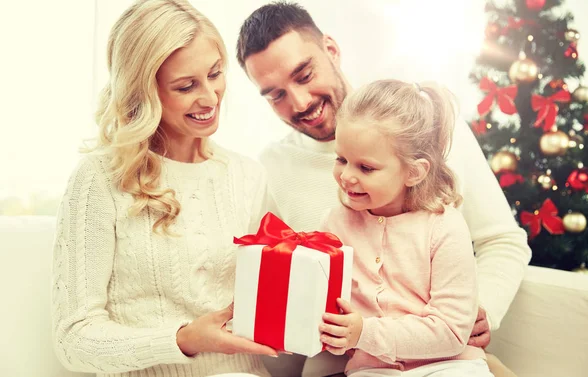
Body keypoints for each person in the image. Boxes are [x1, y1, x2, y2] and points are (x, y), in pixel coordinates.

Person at [236, 2, 529, 377]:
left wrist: (477, 307)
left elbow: (502, 241)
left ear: (331, 49)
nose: (301, 102)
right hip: (354, 363)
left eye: (304, 75)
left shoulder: (426, 129)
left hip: (446, 354)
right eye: (275, 95)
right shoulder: (274, 166)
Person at [51, 1, 278, 376]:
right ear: (144, 91)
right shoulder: (99, 180)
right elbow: (73, 340)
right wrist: (183, 339)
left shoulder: (248, 176)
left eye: (215, 74)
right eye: (186, 86)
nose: (210, 97)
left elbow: (275, 299)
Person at [318, 79, 494, 376]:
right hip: (373, 368)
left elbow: (451, 332)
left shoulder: (444, 226)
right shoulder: (334, 224)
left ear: (414, 171)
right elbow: (325, 309)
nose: (346, 176)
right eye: (341, 159)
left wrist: (365, 333)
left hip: (450, 364)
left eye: (366, 167)